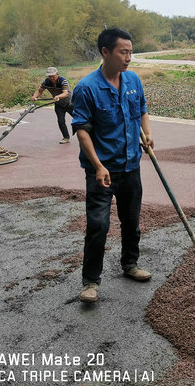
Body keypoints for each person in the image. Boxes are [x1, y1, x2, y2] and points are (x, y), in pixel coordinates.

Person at [71, 28, 154, 303]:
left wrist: (147, 133)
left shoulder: (132, 81)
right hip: (102, 171)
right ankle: (90, 282)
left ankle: (130, 264)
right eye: (124, 52)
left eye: (131, 52)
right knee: (98, 224)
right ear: (106, 52)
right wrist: (97, 166)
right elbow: (82, 130)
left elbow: (141, 109)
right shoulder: (87, 87)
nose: (129, 58)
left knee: (131, 220)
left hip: (131, 165)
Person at [30, 67, 74, 144]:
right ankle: (66, 137)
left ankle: (91, 133)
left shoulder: (63, 81)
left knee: (79, 119)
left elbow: (65, 93)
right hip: (59, 105)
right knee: (61, 121)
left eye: (53, 75)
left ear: (57, 74)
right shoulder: (46, 82)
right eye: (49, 76)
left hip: (70, 103)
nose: (51, 78)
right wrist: (34, 96)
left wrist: (58, 96)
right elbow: (40, 90)